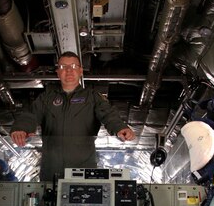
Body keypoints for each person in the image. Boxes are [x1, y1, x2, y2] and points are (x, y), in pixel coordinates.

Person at [10, 51, 135, 181]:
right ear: (58, 72)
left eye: (74, 66)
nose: (69, 71)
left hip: (83, 170)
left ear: (81, 71)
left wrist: (120, 128)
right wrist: (21, 128)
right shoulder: (46, 98)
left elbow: (109, 115)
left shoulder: (92, 97)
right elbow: (31, 115)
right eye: (63, 67)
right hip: (51, 171)